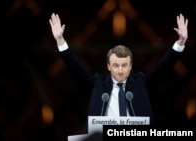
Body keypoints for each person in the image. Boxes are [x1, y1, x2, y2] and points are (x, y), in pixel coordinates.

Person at [49, 13, 188, 131]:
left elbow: (164, 67)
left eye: (124, 65)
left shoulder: (141, 83)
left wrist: (180, 42)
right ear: (109, 66)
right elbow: (75, 68)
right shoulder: (98, 84)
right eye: (116, 65)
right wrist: (60, 40)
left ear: (130, 66)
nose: (120, 70)